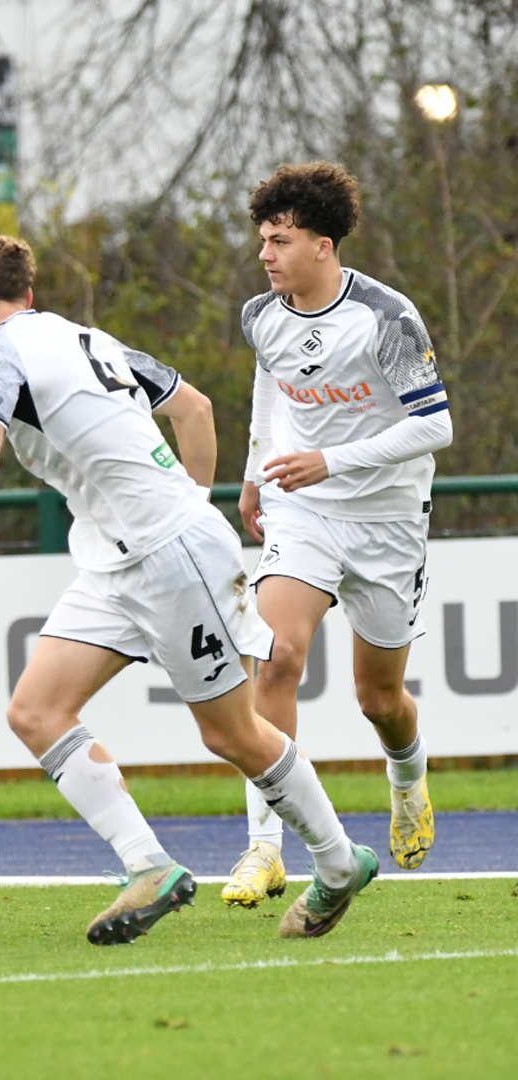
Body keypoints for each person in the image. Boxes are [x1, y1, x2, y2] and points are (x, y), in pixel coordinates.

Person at [0, 233, 376, 943]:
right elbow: (195, 408)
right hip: (120, 558)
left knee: (229, 732)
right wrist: (193, 496)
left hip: (169, 553)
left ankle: (335, 861)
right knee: (37, 711)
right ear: (28, 294)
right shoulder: (90, 338)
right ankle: (148, 865)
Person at [226, 162, 452, 905]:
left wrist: (333, 460)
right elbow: (268, 379)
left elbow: (436, 425)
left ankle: (408, 778)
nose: (266, 253)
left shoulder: (385, 318)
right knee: (277, 655)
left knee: (379, 699)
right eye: (263, 238)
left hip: (386, 520)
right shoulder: (263, 313)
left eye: (281, 240)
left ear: (323, 245)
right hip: (305, 511)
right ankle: (265, 846)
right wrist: (258, 469)